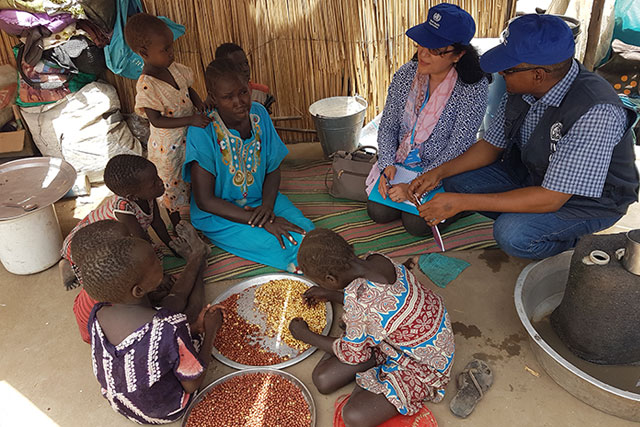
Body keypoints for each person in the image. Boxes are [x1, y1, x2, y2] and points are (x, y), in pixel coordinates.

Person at [408, 14, 639, 259]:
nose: (500, 74)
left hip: (585, 202)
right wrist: (439, 172)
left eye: (506, 70)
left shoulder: (595, 112)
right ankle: (510, 207)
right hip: (532, 175)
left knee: (512, 233)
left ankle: (576, 243)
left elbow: (551, 198)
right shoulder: (522, 85)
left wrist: (462, 202)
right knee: (456, 179)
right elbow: (489, 146)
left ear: (538, 74)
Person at [289, 228, 454, 427]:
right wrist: (331, 294)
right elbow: (375, 302)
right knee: (322, 380)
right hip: (404, 335)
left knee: (353, 416)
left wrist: (304, 334)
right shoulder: (377, 259)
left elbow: (356, 343)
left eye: (321, 281)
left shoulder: (360, 308)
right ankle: (374, 364)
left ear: (331, 279)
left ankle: (383, 377)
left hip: (425, 363)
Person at [366, 3, 489, 236]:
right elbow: (389, 125)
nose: (422, 54)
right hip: (403, 162)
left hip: (442, 168)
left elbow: (458, 146)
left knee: (417, 225)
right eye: (422, 44)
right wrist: (387, 165)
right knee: (378, 212)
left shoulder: (472, 87)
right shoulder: (406, 74)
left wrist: (417, 184)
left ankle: (464, 205)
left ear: (458, 54)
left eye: (434, 50)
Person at [183, 58, 314, 272]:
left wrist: (267, 208)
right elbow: (205, 200)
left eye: (243, 92)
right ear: (213, 97)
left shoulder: (260, 115)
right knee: (282, 244)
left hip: (261, 199)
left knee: (307, 232)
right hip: (219, 213)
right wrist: (263, 221)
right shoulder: (203, 130)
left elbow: (272, 167)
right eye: (228, 97)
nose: (239, 101)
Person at [79, 235, 223, 424]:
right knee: (186, 325)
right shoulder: (168, 327)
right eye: (154, 262)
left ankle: (197, 260)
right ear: (138, 291)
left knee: (175, 312)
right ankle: (199, 261)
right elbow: (192, 384)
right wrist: (210, 330)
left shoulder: (98, 314)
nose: (159, 260)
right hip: (165, 410)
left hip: (124, 404)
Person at [125, 13, 210, 227]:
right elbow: (156, 121)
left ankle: (198, 215)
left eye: (171, 47)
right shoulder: (147, 85)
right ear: (144, 53)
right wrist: (191, 119)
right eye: (165, 49)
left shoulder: (173, 69)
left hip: (188, 137)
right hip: (168, 149)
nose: (172, 53)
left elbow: (188, 89)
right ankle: (177, 224)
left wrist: (199, 103)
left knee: (192, 176)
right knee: (172, 185)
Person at [70, 219, 209, 344]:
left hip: (127, 307)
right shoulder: (115, 297)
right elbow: (177, 311)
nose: (133, 241)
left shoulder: (105, 280)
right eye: (126, 241)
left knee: (170, 294)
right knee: (187, 313)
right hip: (130, 333)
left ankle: (196, 259)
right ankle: (198, 260)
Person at [58, 154, 184, 290]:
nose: (160, 182)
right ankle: (69, 266)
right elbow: (141, 242)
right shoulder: (123, 210)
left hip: (113, 237)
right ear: (132, 197)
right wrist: (159, 277)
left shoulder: (147, 194)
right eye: (154, 183)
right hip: (84, 244)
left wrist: (173, 246)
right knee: (115, 273)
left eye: (157, 177)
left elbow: (157, 223)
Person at [214, 42, 275, 112]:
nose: (245, 69)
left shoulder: (260, 92)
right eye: (238, 66)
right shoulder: (217, 99)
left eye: (246, 63)